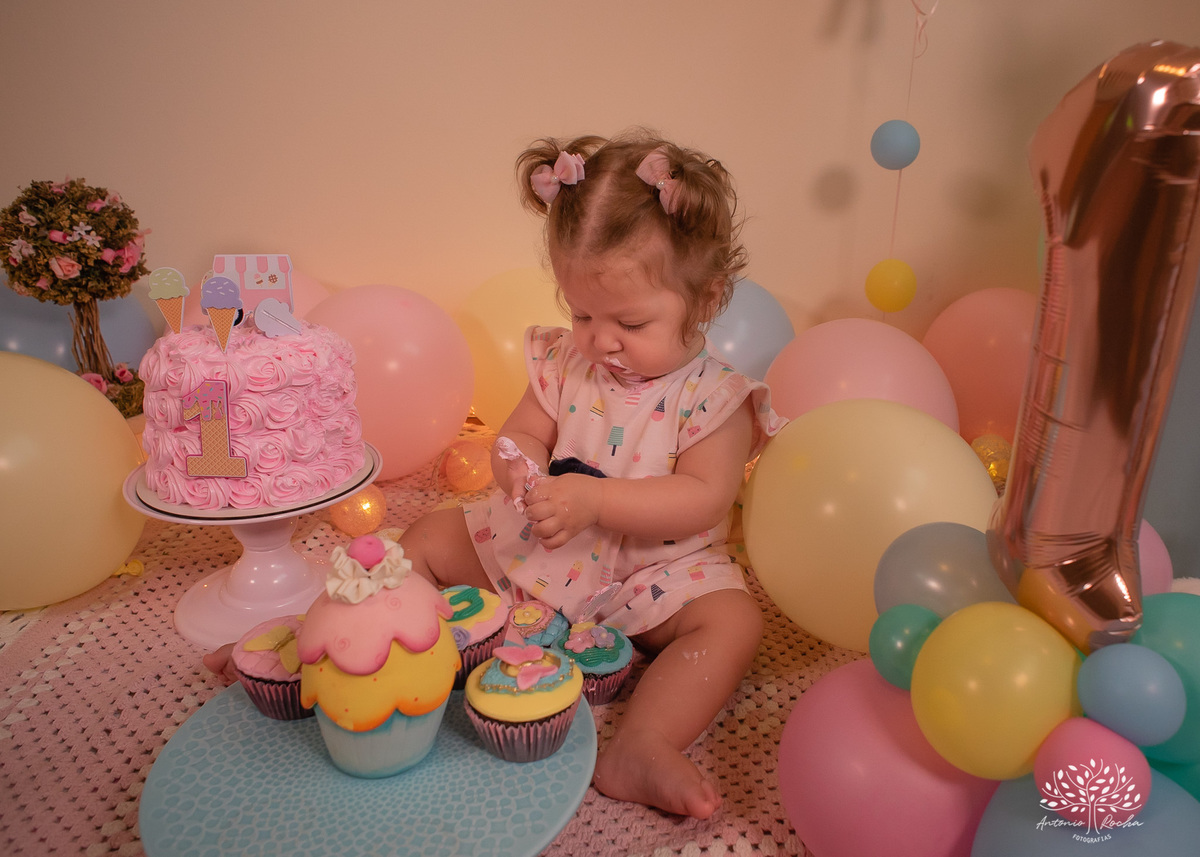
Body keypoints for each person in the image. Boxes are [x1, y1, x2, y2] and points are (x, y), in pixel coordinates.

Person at [402, 129, 785, 818]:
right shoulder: (563, 362)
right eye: (581, 312)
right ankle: (388, 640)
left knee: (731, 622)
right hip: (548, 548)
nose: (600, 339)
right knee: (426, 535)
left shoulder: (715, 396)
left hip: (653, 573)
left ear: (706, 298)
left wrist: (597, 499)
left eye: (631, 321)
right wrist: (518, 472)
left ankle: (643, 741)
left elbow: (703, 498)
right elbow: (520, 433)